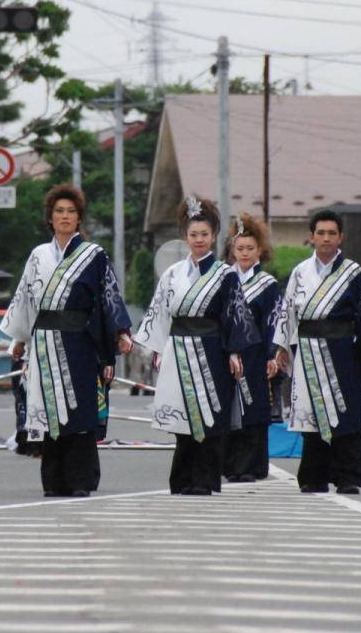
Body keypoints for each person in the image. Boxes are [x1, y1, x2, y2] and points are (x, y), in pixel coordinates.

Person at [1, 184, 133, 498]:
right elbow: (25, 299)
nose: (64, 216)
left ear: (79, 218)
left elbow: (108, 297)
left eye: (71, 211)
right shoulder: (38, 255)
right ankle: (54, 480)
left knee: (79, 409)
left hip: (80, 342)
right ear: (50, 217)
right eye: (59, 211)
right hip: (43, 340)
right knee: (49, 409)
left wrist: (120, 332)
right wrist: (20, 339)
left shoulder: (93, 255)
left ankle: (80, 480)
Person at [133, 196, 259, 496]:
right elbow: (160, 313)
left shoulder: (226, 275)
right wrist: (158, 349)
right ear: (185, 237)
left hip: (212, 350)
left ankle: (204, 480)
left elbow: (235, 315)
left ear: (214, 236)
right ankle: (181, 479)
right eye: (193, 234)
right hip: (178, 349)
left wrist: (234, 351)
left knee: (209, 414)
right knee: (181, 414)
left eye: (204, 234)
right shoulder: (172, 274)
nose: (199, 239)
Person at [271, 210, 361, 494]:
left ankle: (348, 477)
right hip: (308, 348)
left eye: (332, 233)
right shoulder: (300, 272)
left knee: (346, 412)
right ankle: (313, 476)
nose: (326, 238)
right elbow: (287, 311)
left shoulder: (353, 272)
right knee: (312, 413)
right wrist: (281, 346)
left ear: (340, 237)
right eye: (321, 233)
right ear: (311, 237)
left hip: (342, 349)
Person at [222, 213, 282, 483]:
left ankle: (251, 465)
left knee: (254, 408)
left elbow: (274, 322)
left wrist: (272, 354)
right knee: (229, 406)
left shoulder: (268, 285)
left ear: (259, 250)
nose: (244, 253)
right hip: (228, 353)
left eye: (250, 248)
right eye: (240, 248)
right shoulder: (224, 279)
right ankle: (229, 464)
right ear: (232, 251)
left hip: (256, 354)